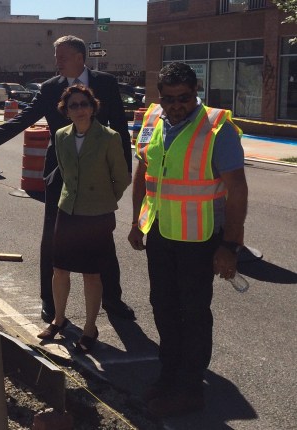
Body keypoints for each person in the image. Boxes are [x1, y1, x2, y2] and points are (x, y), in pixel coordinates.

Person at [0, 35, 135, 323]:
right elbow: (24, 118)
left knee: (101, 239)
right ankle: (51, 302)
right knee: (53, 238)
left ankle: (112, 300)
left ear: (80, 57)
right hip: (60, 173)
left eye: (62, 57)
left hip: (97, 174)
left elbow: (119, 126)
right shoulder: (50, 88)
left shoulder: (104, 82)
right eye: (56, 57)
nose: (57, 62)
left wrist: (124, 170)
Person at [127, 62, 248, 418]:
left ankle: (190, 389)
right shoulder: (152, 119)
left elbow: (237, 189)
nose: (176, 105)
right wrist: (136, 222)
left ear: (196, 91)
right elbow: (143, 172)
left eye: (184, 97)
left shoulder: (216, 128)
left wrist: (230, 245)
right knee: (162, 307)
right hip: (160, 233)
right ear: (159, 96)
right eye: (169, 98)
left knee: (193, 314)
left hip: (199, 238)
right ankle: (169, 376)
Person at [37, 85, 130, 354]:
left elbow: (121, 177)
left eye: (84, 104)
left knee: (91, 274)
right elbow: (66, 172)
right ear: (65, 111)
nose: (79, 109)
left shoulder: (109, 137)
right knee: (59, 269)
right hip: (67, 210)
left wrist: (103, 199)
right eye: (73, 105)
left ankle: (90, 328)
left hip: (96, 214)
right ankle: (59, 319)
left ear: (93, 107)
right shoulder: (61, 135)